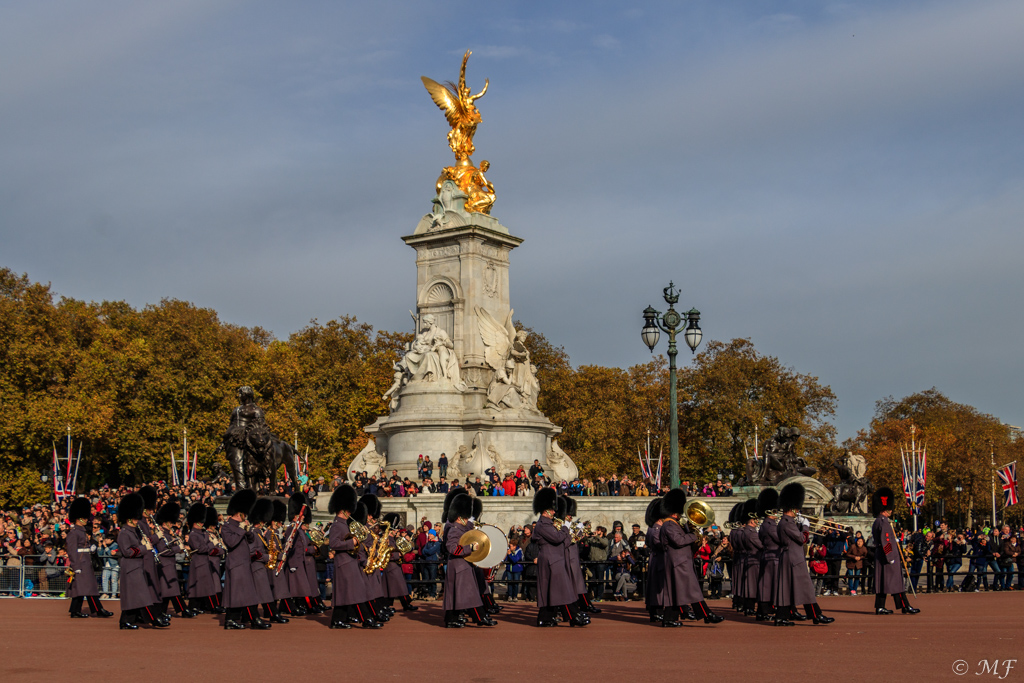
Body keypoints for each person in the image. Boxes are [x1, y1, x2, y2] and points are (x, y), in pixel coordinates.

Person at [658, 488, 724, 627]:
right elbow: (679, 541)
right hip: (678, 562)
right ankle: (707, 614)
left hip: (681, 561)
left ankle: (669, 618)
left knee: (677, 592)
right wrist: (694, 535)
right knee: (693, 590)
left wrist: (692, 532)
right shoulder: (669, 525)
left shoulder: (675, 524)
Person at [774, 482, 834, 626]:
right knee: (806, 588)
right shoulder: (787, 523)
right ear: (793, 507)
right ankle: (816, 615)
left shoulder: (787, 522)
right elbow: (803, 538)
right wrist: (806, 526)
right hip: (795, 559)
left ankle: (782, 617)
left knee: (786, 588)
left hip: (790, 558)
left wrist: (800, 525)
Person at [533, 488, 587, 627]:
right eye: (552, 510)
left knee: (552, 590)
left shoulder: (548, 524)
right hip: (552, 561)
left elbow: (564, 542)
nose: (554, 512)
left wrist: (571, 534)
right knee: (564, 590)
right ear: (546, 511)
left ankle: (545, 618)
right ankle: (574, 617)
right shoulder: (542, 525)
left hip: (556, 559)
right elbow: (557, 538)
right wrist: (565, 528)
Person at [327, 486, 380, 629]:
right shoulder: (337, 525)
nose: (351, 512)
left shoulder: (345, 524)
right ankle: (366, 619)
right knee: (356, 592)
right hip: (344, 563)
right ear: (343, 510)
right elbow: (333, 543)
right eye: (349, 509)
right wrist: (353, 542)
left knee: (347, 593)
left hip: (350, 561)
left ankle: (337, 620)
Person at [441, 491, 494, 627]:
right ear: (459, 518)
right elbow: (452, 548)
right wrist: (469, 548)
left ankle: (451, 619)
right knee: (470, 593)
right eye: (465, 517)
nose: (467, 520)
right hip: (459, 565)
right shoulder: (454, 529)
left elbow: (470, 529)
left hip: (462, 565)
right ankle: (480, 618)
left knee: (456, 593)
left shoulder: (460, 528)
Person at [115, 493, 167, 629]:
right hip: (131, 567)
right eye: (135, 518)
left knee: (133, 596)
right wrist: (144, 548)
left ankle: (125, 621)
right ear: (129, 518)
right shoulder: (124, 533)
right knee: (142, 595)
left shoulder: (134, 531)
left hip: (137, 566)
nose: (137, 520)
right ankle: (153, 619)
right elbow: (127, 552)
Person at [221, 488, 270, 630]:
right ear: (239, 513)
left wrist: (247, 531)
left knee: (238, 594)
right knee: (245, 594)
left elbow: (251, 539)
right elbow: (231, 542)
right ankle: (254, 619)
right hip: (236, 564)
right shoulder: (226, 527)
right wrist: (242, 530)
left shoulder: (240, 526)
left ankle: (231, 620)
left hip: (244, 564)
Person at [871, 487, 920, 615]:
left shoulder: (878, 521)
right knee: (896, 582)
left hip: (881, 556)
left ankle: (880, 606)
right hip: (888, 557)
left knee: (883, 583)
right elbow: (886, 541)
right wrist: (890, 556)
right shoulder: (884, 522)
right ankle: (905, 606)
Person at [66, 497, 112, 619]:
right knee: (88, 587)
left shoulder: (82, 531)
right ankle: (98, 609)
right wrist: (76, 567)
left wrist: (92, 547)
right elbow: (72, 551)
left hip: (86, 562)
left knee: (82, 588)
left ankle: (75, 610)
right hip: (80, 564)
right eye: (84, 517)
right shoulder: (74, 532)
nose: (87, 520)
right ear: (78, 518)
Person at [153, 502, 194, 618]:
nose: (172, 524)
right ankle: (183, 610)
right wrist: (178, 548)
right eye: (170, 522)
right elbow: (163, 550)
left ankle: (162, 612)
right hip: (165, 564)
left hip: (169, 564)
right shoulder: (162, 535)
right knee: (172, 590)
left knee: (167, 591)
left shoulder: (168, 535)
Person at [247, 498, 285, 623]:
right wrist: (267, 557)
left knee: (263, 593)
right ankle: (271, 614)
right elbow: (253, 553)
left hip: (261, 566)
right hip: (256, 567)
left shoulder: (258, 533)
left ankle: (248, 616)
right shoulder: (253, 533)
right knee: (263, 593)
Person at [562, 496, 600, 615]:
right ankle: (582, 606)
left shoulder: (568, 524)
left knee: (579, 584)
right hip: (566, 557)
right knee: (573, 586)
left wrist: (581, 528)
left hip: (573, 557)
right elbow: (571, 539)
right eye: (569, 515)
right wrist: (578, 531)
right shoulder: (561, 525)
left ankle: (585, 605)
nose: (570, 517)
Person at [381, 512, 418, 613]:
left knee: (396, 587)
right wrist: (399, 555)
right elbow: (387, 552)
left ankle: (395, 605)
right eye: (395, 530)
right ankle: (390, 605)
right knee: (395, 587)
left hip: (395, 565)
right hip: (391, 565)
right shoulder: (387, 540)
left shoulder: (392, 539)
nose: (397, 531)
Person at [185, 504, 219, 614]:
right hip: (198, 563)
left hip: (204, 562)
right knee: (201, 586)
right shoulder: (193, 535)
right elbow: (200, 549)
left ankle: (197, 606)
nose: (203, 523)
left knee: (202, 586)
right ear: (196, 522)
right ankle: (210, 606)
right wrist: (211, 544)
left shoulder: (203, 533)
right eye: (201, 521)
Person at [755, 488, 781, 621]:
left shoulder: (765, 524)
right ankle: (766, 611)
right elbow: (780, 539)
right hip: (773, 557)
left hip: (767, 556)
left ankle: (762, 611)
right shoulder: (771, 525)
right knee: (770, 586)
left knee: (765, 584)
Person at [642, 498, 665, 622]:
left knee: (656, 585)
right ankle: (656, 611)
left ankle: (655, 611)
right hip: (659, 558)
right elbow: (657, 543)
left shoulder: (652, 527)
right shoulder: (656, 527)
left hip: (655, 557)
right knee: (658, 586)